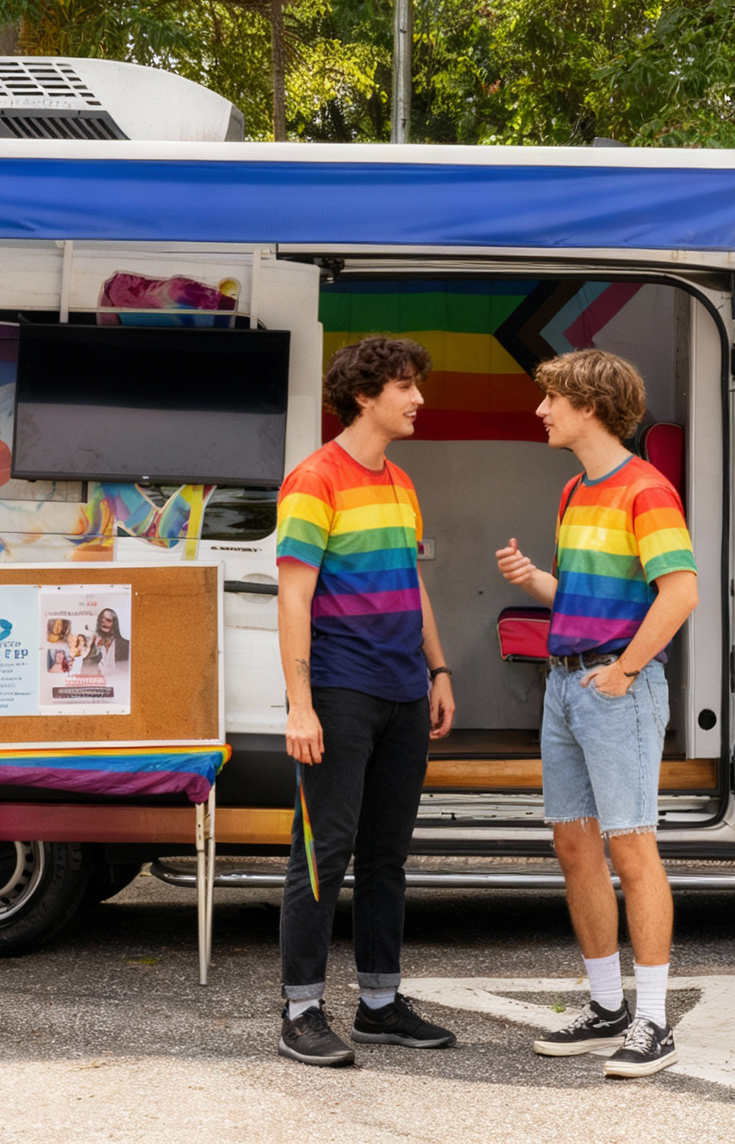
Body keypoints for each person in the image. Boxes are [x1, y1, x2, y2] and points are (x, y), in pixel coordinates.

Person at [494, 348, 698, 1078]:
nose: (541, 411)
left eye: (552, 399)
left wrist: (626, 670)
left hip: (615, 690)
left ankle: (652, 1023)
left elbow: (679, 592)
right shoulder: (577, 490)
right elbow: (588, 597)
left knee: (631, 848)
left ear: (590, 406)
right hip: (565, 685)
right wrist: (536, 580)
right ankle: (607, 1006)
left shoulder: (647, 490)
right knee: (576, 849)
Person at [273, 335, 459, 1067]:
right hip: (341, 692)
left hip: (404, 692)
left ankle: (380, 1005)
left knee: (387, 856)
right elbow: (294, 599)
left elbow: (412, 588)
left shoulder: (402, 483)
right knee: (323, 853)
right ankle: (301, 1012)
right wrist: (299, 704)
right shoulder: (313, 480)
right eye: (406, 387)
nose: (419, 399)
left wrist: (438, 670)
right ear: (364, 394)